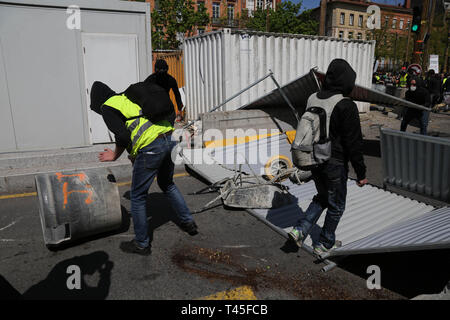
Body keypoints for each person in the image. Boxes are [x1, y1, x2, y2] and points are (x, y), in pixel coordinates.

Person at [91, 81, 198, 256]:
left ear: (97, 101)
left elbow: (123, 135)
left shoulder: (107, 106)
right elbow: (136, 125)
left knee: (138, 196)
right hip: (168, 138)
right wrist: (135, 155)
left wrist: (114, 155)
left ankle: (141, 243)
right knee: (167, 184)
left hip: (151, 146)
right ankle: (189, 223)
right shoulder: (126, 98)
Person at [288, 59, 368, 257]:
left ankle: (300, 230)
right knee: (337, 204)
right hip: (334, 163)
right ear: (348, 80)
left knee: (323, 197)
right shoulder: (346, 104)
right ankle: (325, 243)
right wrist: (361, 173)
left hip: (314, 160)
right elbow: (354, 143)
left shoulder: (313, 98)